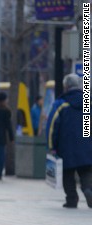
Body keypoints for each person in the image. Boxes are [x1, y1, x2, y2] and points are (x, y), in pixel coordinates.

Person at [47, 74, 92, 209]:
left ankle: (72, 200)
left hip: (66, 146)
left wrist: (51, 146)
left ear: (66, 87)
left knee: (68, 174)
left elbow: (52, 127)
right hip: (87, 146)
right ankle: (88, 190)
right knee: (86, 172)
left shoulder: (61, 104)